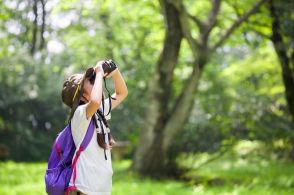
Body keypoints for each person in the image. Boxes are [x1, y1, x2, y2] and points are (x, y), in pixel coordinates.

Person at [61, 60, 128, 195]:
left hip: (100, 189)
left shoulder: (98, 112)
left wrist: (114, 72)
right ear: (82, 96)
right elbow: (95, 101)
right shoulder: (79, 115)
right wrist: (98, 73)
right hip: (83, 188)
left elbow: (121, 93)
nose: (95, 81)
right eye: (91, 81)